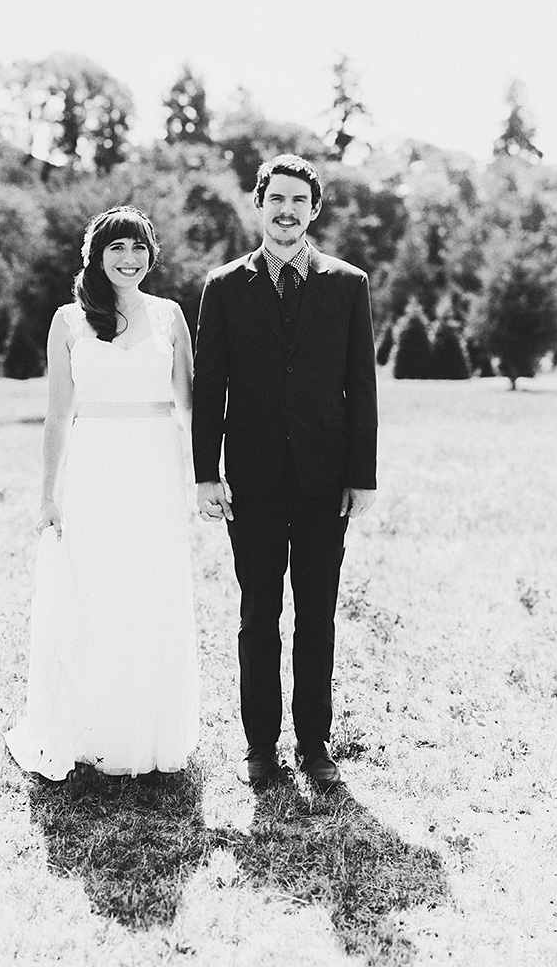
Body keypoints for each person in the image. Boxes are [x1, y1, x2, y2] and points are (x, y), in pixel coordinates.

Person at [192, 155, 378, 791]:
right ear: (259, 204)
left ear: (314, 210)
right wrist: (205, 473)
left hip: (326, 479)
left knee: (317, 616)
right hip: (253, 479)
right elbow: (209, 386)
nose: (288, 211)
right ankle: (260, 747)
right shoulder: (223, 287)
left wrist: (362, 474)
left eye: (300, 201)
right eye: (278, 199)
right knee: (258, 616)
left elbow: (361, 385)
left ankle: (315, 743)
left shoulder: (348, 284)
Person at [6, 206, 199, 779]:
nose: (128, 258)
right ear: (96, 256)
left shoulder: (169, 316)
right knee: (97, 590)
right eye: (116, 247)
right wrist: (48, 494)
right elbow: (58, 414)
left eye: (138, 247)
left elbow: (190, 408)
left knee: (150, 589)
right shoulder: (68, 321)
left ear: (151, 256)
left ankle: (149, 731)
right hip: (94, 470)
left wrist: (207, 476)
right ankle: (94, 728)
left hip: (156, 468)